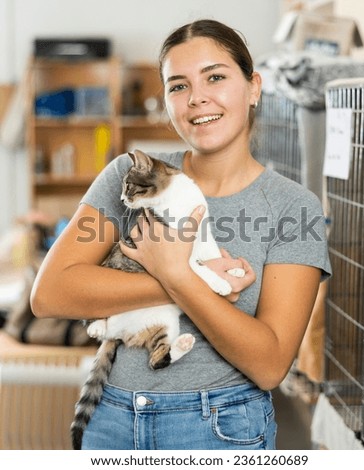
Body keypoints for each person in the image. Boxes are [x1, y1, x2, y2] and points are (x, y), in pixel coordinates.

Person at [31, 19, 331, 450]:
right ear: (168, 102)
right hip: (110, 419)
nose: (197, 98)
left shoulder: (292, 208)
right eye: (177, 86)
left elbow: (269, 364)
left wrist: (181, 275)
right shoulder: (130, 177)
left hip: (221, 428)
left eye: (215, 77)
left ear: (253, 87)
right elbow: (52, 293)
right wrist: (188, 282)